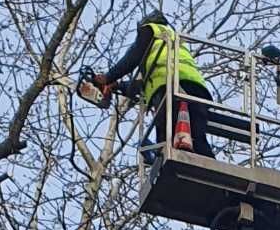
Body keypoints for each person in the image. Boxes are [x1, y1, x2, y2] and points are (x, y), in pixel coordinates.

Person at [91, 11, 213, 157]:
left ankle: (161, 160)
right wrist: (116, 85)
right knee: (197, 137)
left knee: (166, 136)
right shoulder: (172, 41)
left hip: (169, 86)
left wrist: (108, 77)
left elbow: (132, 58)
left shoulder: (150, 30)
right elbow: (140, 84)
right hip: (197, 88)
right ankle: (216, 174)